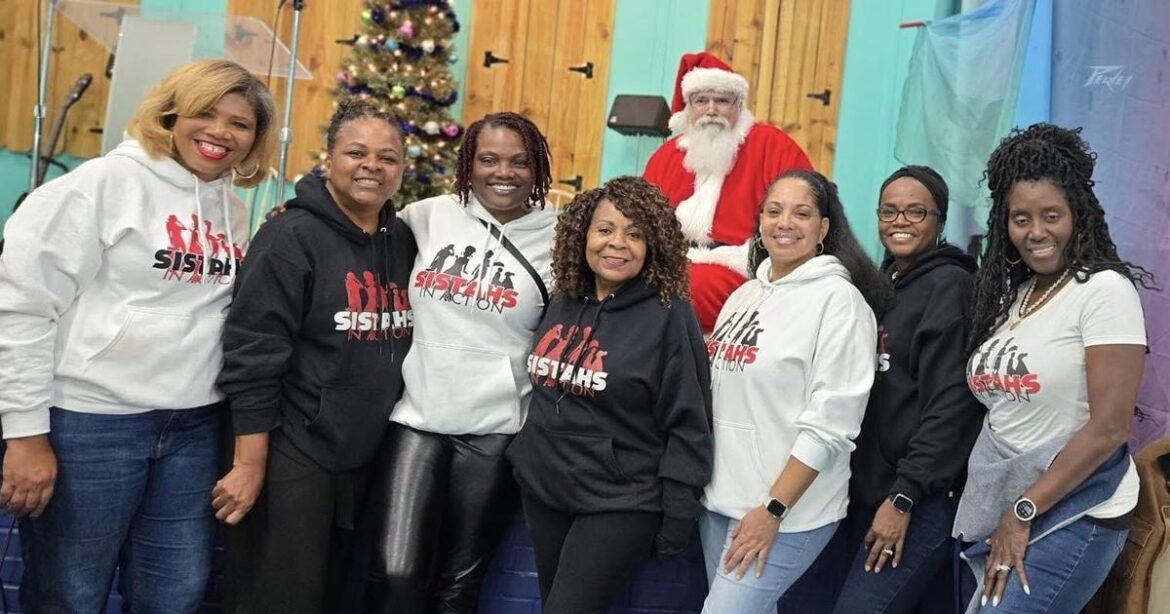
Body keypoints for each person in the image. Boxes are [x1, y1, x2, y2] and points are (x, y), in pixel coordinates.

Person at [0, 59, 274, 612]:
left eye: (240, 123)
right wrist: (25, 434)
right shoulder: (100, 185)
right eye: (205, 113)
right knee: (69, 596)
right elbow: (22, 309)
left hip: (193, 427)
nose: (220, 132)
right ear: (172, 113)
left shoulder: (235, 213)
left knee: (176, 594)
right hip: (90, 424)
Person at [214, 99, 416, 613]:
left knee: (336, 596)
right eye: (356, 152)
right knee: (279, 598)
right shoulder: (289, 237)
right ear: (328, 159)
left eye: (388, 157)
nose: (372, 165)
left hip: (362, 456)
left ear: (402, 169)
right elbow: (252, 355)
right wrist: (249, 463)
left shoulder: (402, 241)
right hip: (293, 451)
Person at [954, 123, 1156, 613]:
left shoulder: (1104, 292)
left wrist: (1024, 511)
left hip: (1075, 507)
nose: (1036, 232)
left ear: (1077, 215)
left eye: (1051, 215)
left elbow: (1108, 429)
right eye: (1021, 218)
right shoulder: (1017, 299)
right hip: (1006, 503)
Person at [364, 111, 556, 613]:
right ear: (468, 164)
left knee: (458, 584)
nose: (504, 172)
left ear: (537, 169)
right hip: (418, 418)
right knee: (395, 571)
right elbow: (357, 250)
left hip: (495, 431)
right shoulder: (426, 215)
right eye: (488, 159)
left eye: (519, 161)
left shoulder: (559, 238)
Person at [506, 175, 713, 614]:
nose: (617, 243)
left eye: (635, 233)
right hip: (546, 491)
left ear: (652, 244)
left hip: (619, 500)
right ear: (583, 235)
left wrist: (678, 514)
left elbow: (690, 422)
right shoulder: (564, 298)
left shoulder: (668, 316)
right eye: (605, 229)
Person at [701, 169, 889, 613]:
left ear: (823, 228)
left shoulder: (839, 303)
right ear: (760, 222)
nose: (785, 222)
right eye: (774, 211)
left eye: (802, 213)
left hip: (786, 514)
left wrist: (772, 509)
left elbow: (831, 426)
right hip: (719, 502)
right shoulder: (744, 296)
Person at [828, 166, 985, 613]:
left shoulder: (950, 287)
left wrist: (903, 497)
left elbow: (951, 408)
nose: (900, 221)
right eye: (889, 211)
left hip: (918, 501)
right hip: (869, 493)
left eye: (916, 212)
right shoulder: (882, 285)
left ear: (939, 220)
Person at [643, 51, 813, 333]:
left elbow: (810, 206)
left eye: (722, 100)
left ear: (739, 104)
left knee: (680, 289)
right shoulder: (666, 157)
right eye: (701, 101)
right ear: (689, 107)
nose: (711, 110)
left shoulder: (771, 145)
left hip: (746, 268)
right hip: (675, 263)